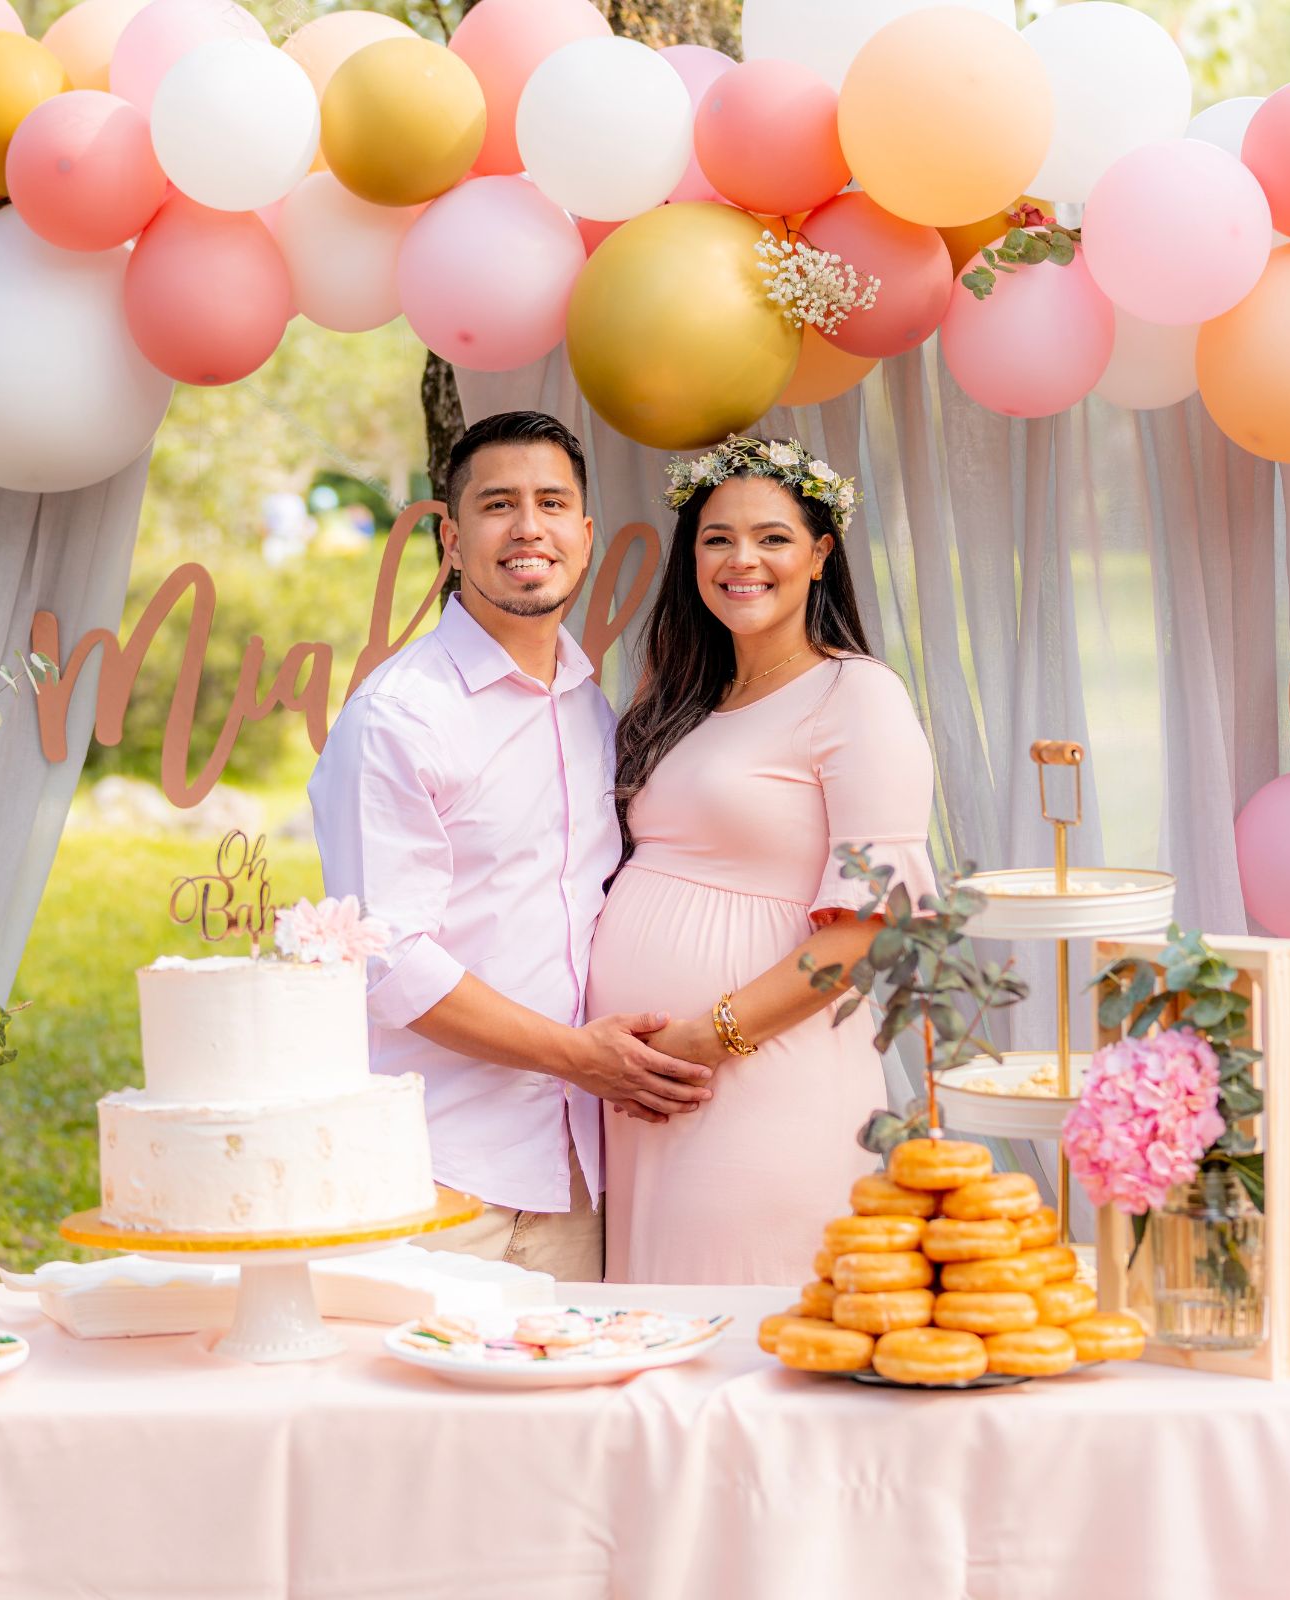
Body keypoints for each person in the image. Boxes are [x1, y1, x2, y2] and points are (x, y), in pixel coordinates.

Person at [309, 410, 711, 1283]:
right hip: (442, 1173)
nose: (528, 527)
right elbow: (392, 965)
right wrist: (579, 1057)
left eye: (552, 503)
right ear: (453, 539)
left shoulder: (587, 702)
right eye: (498, 505)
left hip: (581, 1171)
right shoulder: (400, 718)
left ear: (585, 533)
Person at [589, 437, 938, 1286]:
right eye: (717, 538)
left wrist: (705, 1039)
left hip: (759, 1078)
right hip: (650, 1089)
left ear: (820, 555)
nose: (743, 559)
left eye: (773, 538)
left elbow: (870, 929)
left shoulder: (856, 694)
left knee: (742, 1341)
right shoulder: (682, 699)